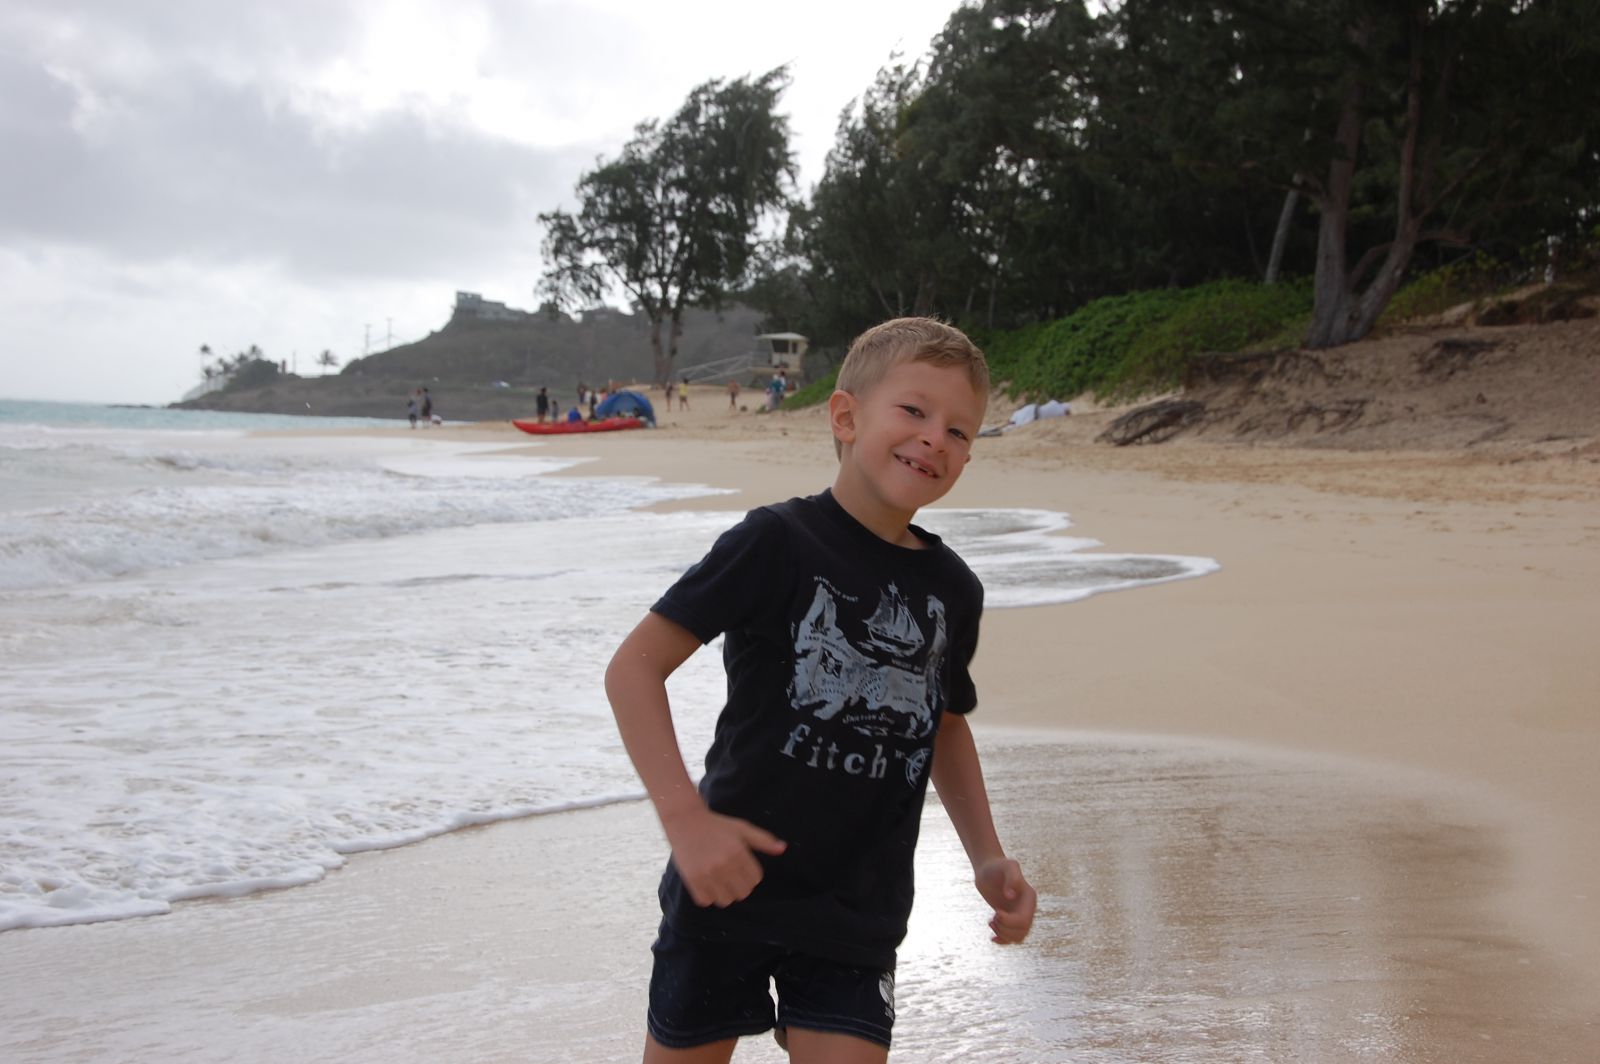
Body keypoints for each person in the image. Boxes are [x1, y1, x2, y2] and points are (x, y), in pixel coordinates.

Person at [605, 317, 1036, 1063]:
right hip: (727, 889)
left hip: (857, 910)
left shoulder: (953, 589)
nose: (934, 438)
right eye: (914, 410)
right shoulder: (774, 542)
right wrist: (686, 822)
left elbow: (943, 724)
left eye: (959, 430)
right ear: (845, 417)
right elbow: (633, 669)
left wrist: (987, 856)